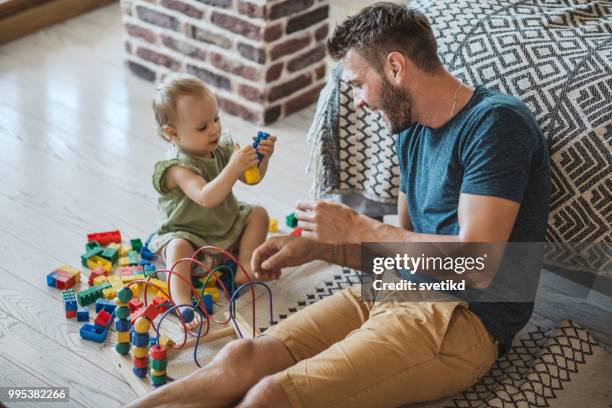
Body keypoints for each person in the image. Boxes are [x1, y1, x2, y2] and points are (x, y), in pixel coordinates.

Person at [127, 3, 550, 407]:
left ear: (396, 67)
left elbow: (478, 266)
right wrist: (318, 250)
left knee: (271, 396)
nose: (359, 101)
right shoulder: (412, 130)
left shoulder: (495, 124)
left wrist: (359, 228)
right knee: (242, 359)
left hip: (463, 319)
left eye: (358, 84)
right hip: (397, 289)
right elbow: (399, 249)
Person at [148, 73, 277, 329]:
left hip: (225, 223)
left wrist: (262, 160)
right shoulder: (176, 168)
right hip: (189, 233)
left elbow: (250, 180)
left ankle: (244, 269)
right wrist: (233, 166)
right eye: (202, 127)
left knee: (258, 214)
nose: (215, 129)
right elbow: (206, 197)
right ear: (172, 133)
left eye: (216, 118)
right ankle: (182, 301)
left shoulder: (223, 145)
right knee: (177, 249)